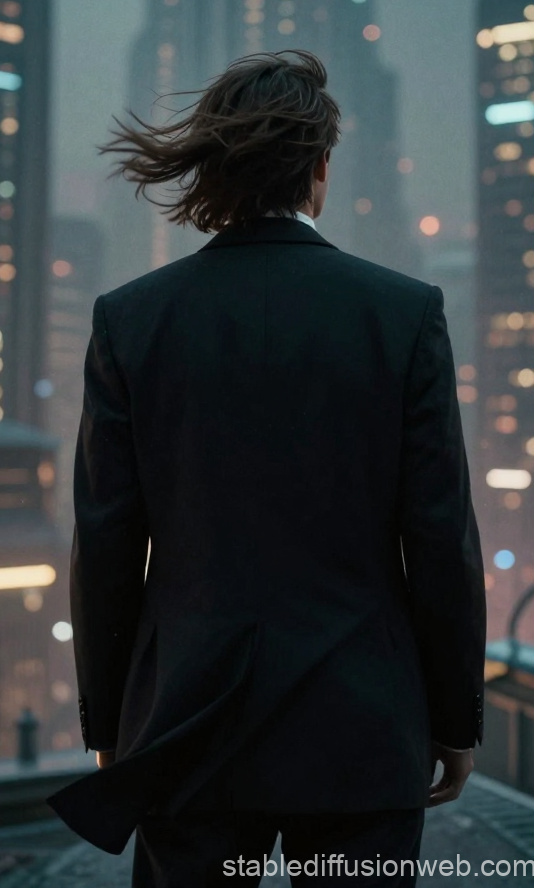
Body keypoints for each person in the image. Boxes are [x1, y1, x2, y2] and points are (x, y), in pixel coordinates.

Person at [46, 50, 487, 887]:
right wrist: (453, 717)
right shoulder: (402, 315)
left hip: (187, 727)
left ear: (215, 169)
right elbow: (439, 540)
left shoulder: (132, 322)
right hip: (363, 724)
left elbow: (105, 547)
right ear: (320, 167)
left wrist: (115, 720)